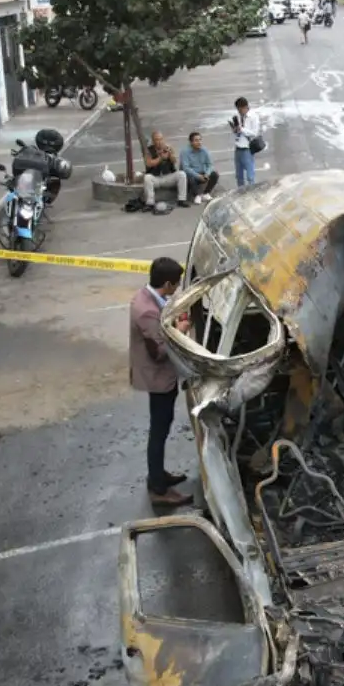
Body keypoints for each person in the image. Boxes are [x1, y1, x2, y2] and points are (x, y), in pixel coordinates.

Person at [131, 257, 190, 506]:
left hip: (160, 375)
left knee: (162, 426)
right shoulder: (147, 311)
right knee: (159, 430)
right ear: (166, 283)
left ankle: (159, 475)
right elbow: (158, 351)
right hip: (158, 378)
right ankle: (158, 488)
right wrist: (181, 329)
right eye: (175, 285)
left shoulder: (149, 297)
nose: (176, 289)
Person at [142, 131, 186, 209]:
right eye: (156, 140)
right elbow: (149, 163)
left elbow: (174, 161)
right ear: (153, 141)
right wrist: (161, 158)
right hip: (155, 178)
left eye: (160, 139)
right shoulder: (148, 150)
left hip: (168, 176)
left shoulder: (168, 148)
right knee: (147, 177)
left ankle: (181, 200)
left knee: (181, 174)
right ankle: (150, 204)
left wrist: (170, 154)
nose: (159, 142)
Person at [180, 131, 219, 205]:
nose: (199, 142)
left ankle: (205, 193)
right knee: (189, 175)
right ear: (191, 142)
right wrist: (197, 176)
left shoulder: (204, 150)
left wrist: (207, 174)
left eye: (200, 140)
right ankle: (197, 195)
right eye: (196, 140)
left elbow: (210, 164)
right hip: (192, 173)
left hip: (202, 172)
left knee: (215, 174)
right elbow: (186, 168)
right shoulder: (184, 152)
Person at [231, 97, 260, 188]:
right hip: (238, 147)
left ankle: (252, 192)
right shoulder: (237, 116)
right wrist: (235, 130)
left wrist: (242, 129)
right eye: (238, 110)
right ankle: (240, 193)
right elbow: (236, 132)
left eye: (240, 110)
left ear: (245, 107)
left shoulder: (253, 117)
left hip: (247, 148)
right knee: (239, 176)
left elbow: (254, 133)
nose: (239, 112)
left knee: (250, 176)